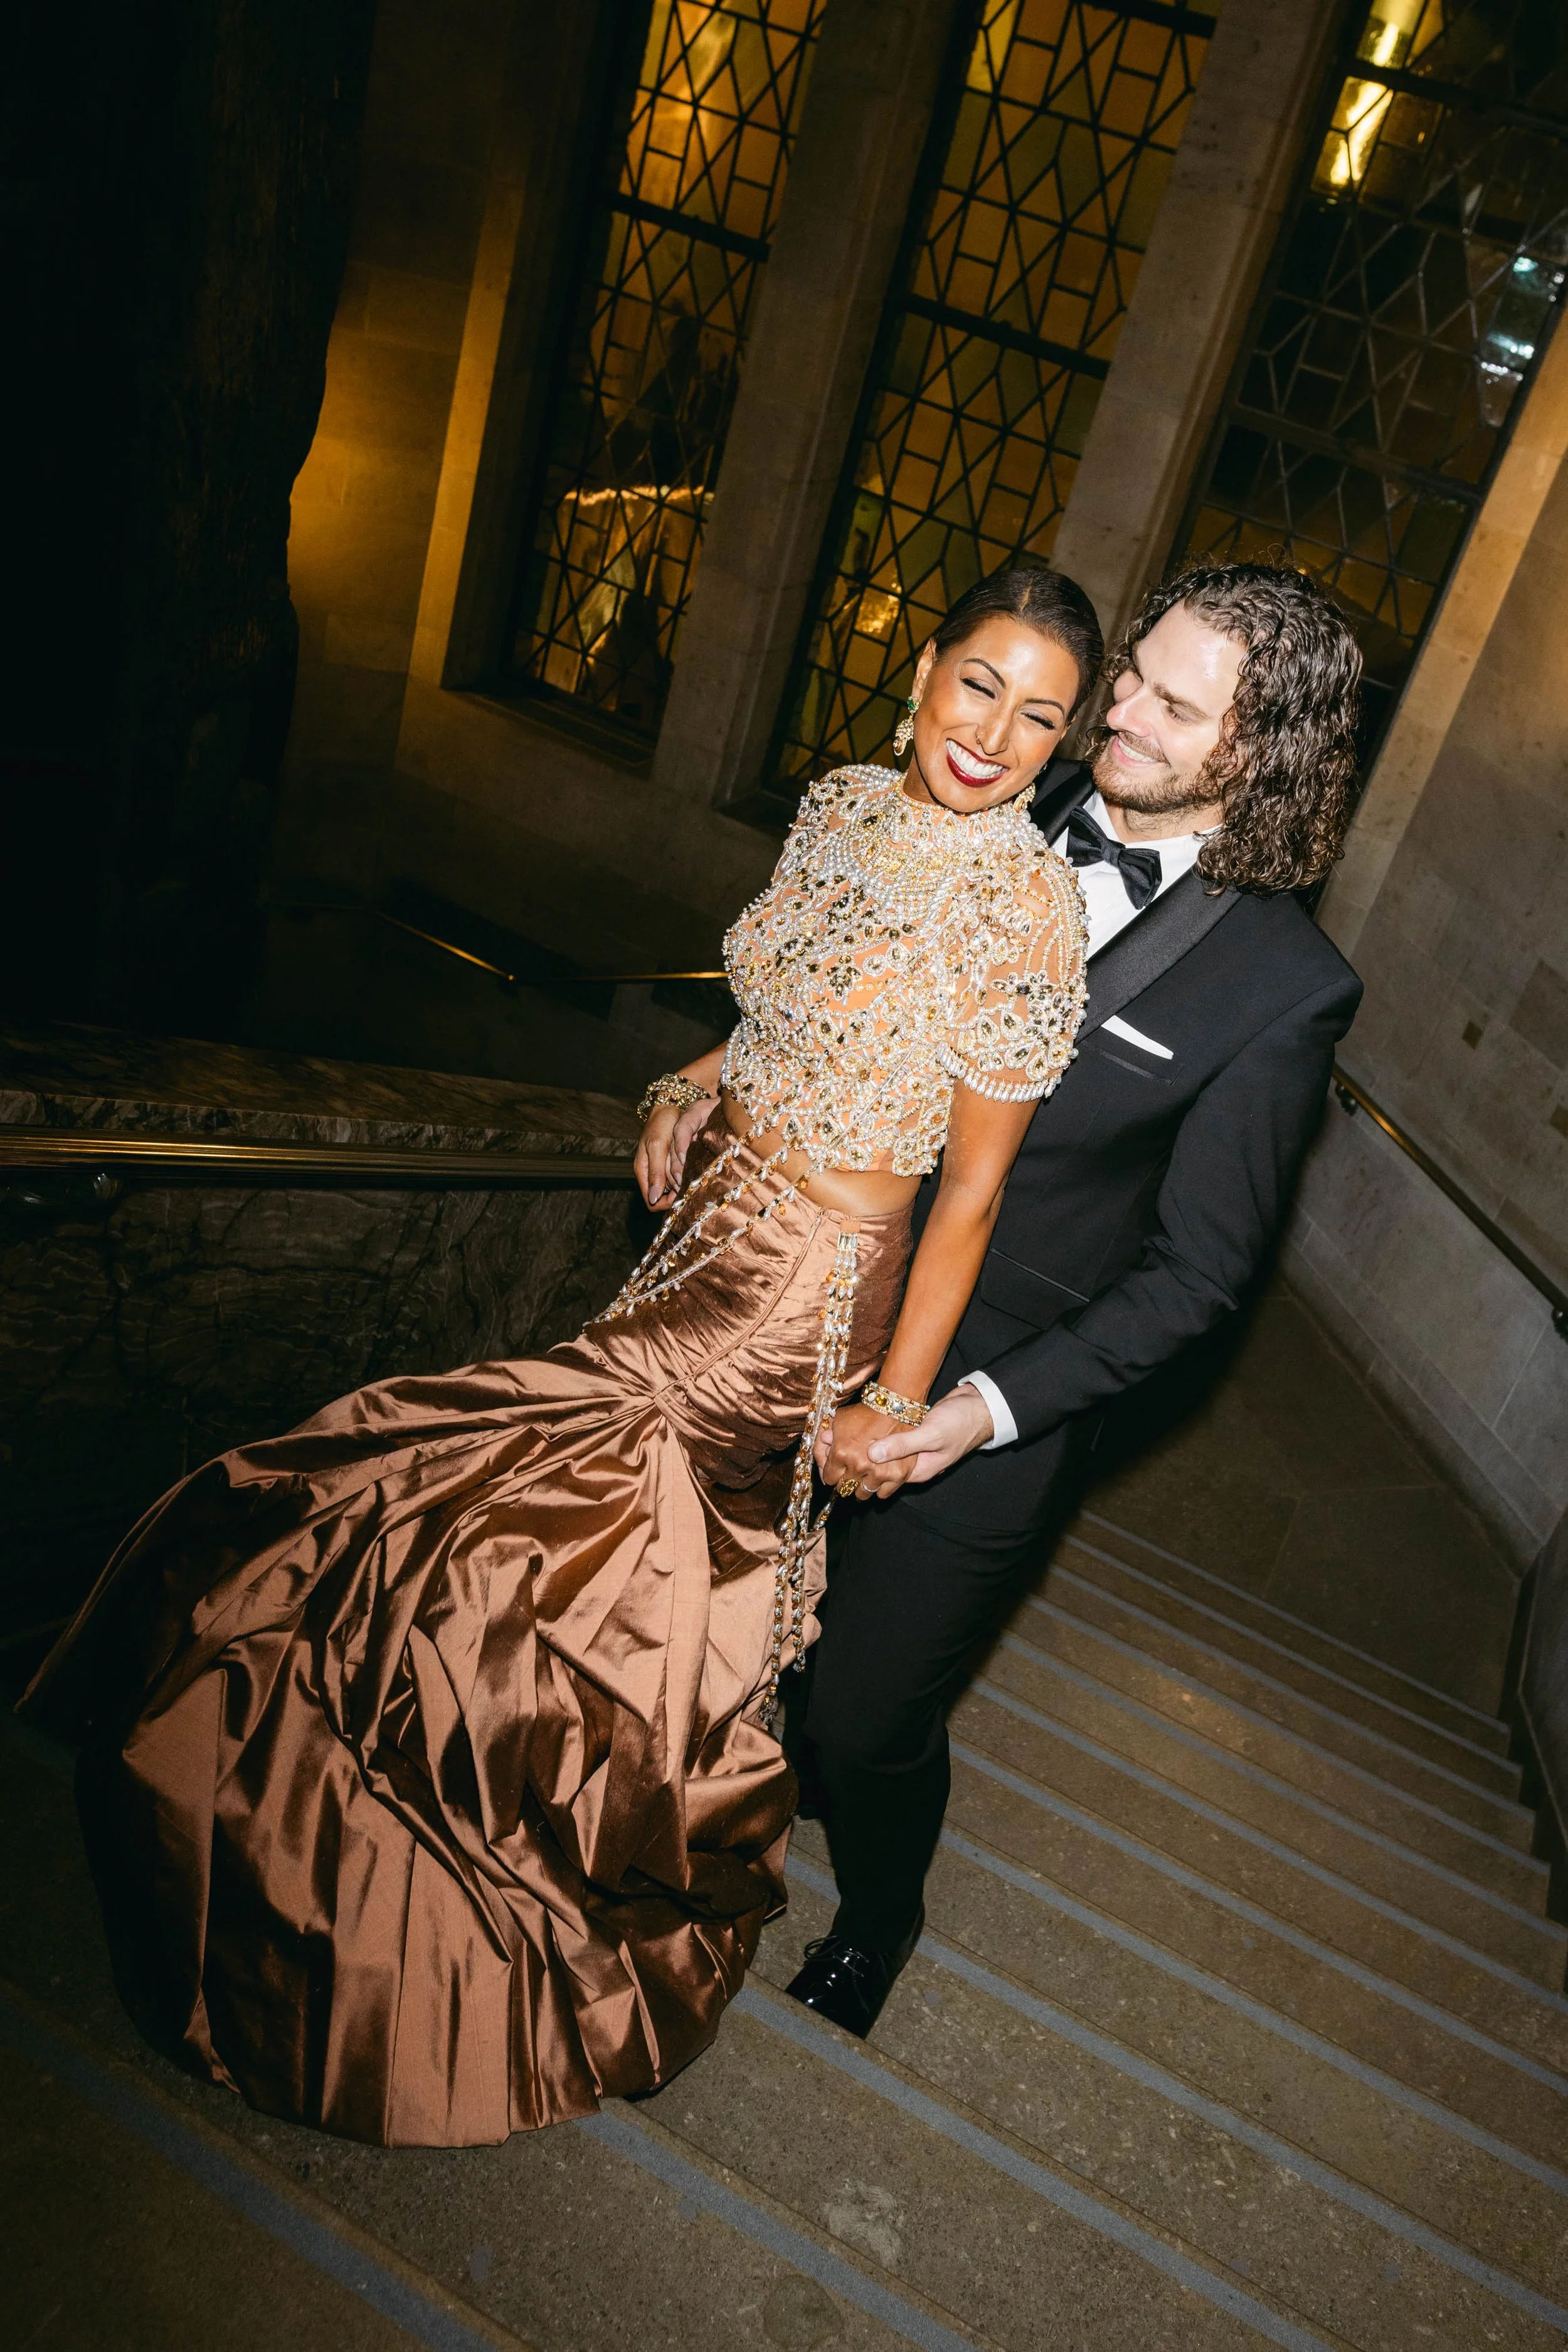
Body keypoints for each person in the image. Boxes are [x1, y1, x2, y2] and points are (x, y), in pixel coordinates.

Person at [26, 565, 1098, 2146]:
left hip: (799, 1294)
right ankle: (493, 1838)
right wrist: (688, 1076)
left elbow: (975, 1191)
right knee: (583, 1569)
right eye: (977, 685)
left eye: (1038, 717)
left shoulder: (1020, 907)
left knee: (468, 1488)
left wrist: (889, 1399)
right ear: (921, 671)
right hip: (706, 1216)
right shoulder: (844, 804)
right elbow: (782, 1003)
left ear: (1062, 749)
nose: (993, 734)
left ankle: (479, 1902)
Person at [792, 558, 1365, 2037]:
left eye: (1174, 707)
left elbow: (1200, 1275)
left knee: (863, 1715)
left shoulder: (1283, 985)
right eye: (1131, 677)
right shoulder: (992, 785)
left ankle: (878, 1910)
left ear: (1256, 755)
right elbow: (823, 986)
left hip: (997, 1386)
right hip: (797, 1297)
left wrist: (975, 1414)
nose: (1117, 712)